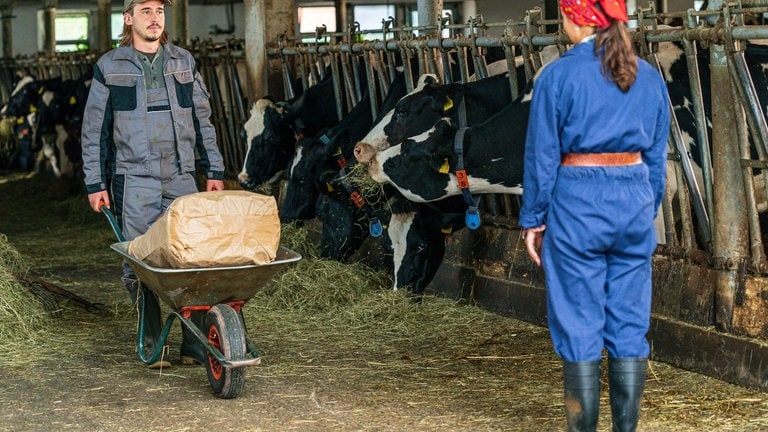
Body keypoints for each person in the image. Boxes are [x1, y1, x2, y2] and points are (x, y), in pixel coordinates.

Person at [518, 1, 670, 431]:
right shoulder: (649, 78)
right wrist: (644, 207)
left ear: (577, 17)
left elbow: (542, 157)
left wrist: (534, 219)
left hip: (577, 204)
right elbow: (656, 159)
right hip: (633, 204)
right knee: (628, 321)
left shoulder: (558, 76)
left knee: (579, 320)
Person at [81, 0, 225, 369]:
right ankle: (152, 340)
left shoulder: (183, 61)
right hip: (134, 179)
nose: (154, 17)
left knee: (189, 256)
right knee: (140, 259)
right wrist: (95, 182)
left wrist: (214, 170)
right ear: (128, 19)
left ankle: (192, 342)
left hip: (181, 175)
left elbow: (203, 119)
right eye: (145, 10)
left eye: (159, 10)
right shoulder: (109, 67)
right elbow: (93, 130)